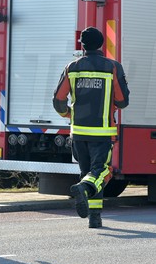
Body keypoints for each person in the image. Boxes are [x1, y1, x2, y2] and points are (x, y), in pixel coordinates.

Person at [53, 26, 130, 228]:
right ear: (102, 44)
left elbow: (58, 100)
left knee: (88, 172)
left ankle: (94, 218)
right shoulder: (113, 67)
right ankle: (84, 190)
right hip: (103, 132)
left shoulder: (72, 67)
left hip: (78, 133)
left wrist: (68, 114)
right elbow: (122, 102)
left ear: (83, 45)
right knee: (103, 172)